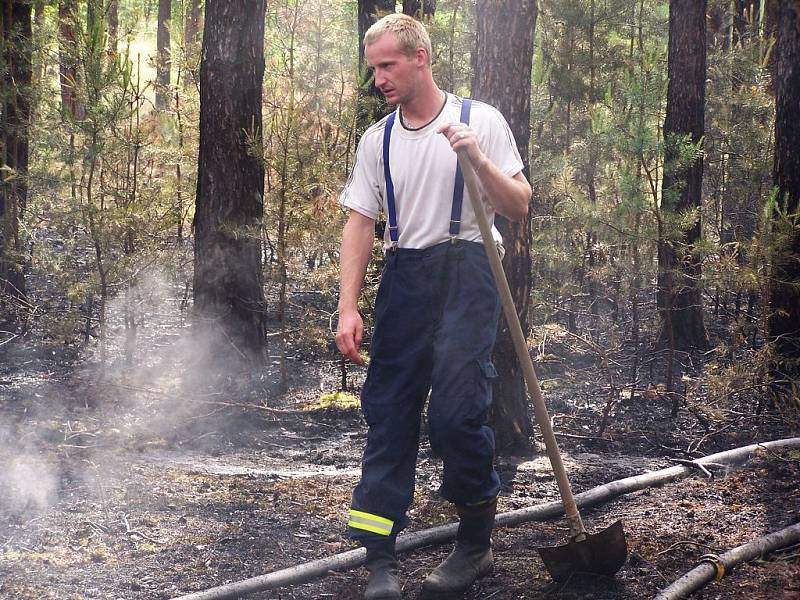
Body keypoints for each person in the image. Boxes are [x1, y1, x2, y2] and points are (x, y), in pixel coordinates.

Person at [335, 13, 531, 600]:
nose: (379, 80)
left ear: (420, 57)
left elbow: (518, 204)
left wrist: (478, 160)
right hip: (406, 277)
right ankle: (379, 560)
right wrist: (347, 306)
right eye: (374, 69)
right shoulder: (380, 139)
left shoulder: (481, 121)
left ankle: (474, 546)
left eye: (388, 65)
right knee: (389, 415)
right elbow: (359, 222)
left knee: (456, 412)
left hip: (469, 272)